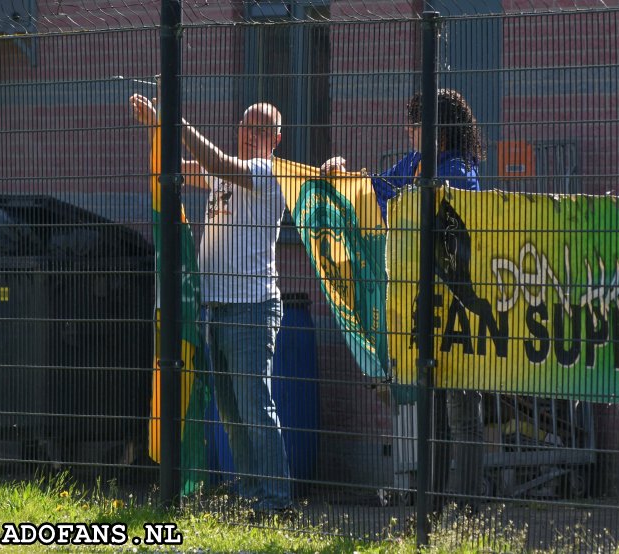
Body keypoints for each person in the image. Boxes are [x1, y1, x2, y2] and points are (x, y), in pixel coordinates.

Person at [322, 88, 486, 513]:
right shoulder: (411, 165)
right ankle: (429, 509)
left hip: (458, 312)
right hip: (420, 310)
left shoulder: (461, 170)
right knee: (430, 410)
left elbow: (445, 206)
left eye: (415, 124)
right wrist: (340, 176)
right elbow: (372, 192)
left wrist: (404, 199)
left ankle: (467, 508)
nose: (408, 132)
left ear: (438, 131)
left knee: (463, 413)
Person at [130, 91, 292, 514]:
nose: (250, 135)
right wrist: (156, 132)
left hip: (251, 308)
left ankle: (276, 498)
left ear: (276, 140)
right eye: (245, 127)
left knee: (255, 406)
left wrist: (176, 124)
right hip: (214, 307)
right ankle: (250, 491)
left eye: (261, 130)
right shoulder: (227, 174)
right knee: (231, 411)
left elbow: (218, 164)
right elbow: (176, 171)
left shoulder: (266, 174)